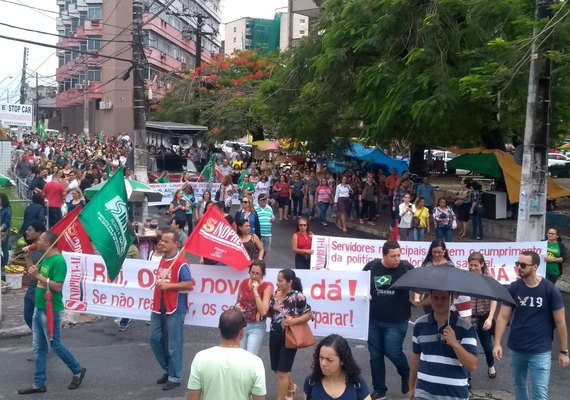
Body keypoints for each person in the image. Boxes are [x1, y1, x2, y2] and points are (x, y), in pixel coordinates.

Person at [493, 250, 569, 400]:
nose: (518, 267)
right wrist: (497, 343)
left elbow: (561, 322)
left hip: (540, 351)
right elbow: (502, 317)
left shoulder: (550, 290)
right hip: (516, 349)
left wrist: (564, 351)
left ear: (534, 267)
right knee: (519, 386)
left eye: (522, 265)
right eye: (517, 264)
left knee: (540, 393)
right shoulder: (514, 288)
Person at [18, 231, 87, 394]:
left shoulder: (58, 261)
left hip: (51, 310)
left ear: (47, 243)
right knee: (39, 347)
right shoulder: (46, 258)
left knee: (55, 344)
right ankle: (38, 383)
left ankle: (77, 369)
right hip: (39, 307)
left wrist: (38, 276)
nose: (37, 242)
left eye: (40, 240)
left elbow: (57, 287)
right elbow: (34, 276)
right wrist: (28, 257)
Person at [362, 241, 413, 400]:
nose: (397, 259)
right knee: (375, 355)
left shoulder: (406, 268)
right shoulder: (372, 267)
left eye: (399, 255)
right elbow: (360, 286)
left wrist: (418, 298)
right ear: (384, 255)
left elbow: (420, 286)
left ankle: (406, 373)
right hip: (374, 320)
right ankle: (380, 390)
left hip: (397, 321)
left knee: (393, 352)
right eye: (393, 256)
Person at [409, 290, 478, 400]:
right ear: (430, 298)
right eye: (436, 298)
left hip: (454, 395)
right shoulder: (419, 325)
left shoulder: (466, 328)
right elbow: (416, 358)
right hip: (424, 393)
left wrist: (455, 344)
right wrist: (412, 387)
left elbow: (472, 366)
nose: (439, 302)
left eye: (444, 298)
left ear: (451, 299)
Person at [186, 308, 267, 400]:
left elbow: (192, 397)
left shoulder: (200, 358)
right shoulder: (255, 363)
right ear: (241, 332)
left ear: (220, 328)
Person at [150, 229, 195, 390]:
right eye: (161, 240)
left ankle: (175, 377)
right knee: (154, 339)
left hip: (175, 308)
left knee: (173, 344)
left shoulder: (181, 263)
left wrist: (168, 286)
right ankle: (169, 370)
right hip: (158, 307)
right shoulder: (162, 259)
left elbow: (189, 284)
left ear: (175, 244)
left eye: (165, 241)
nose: (161, 243)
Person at [268, 268, 312, 400]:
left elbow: (309, 314)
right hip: (274, 335)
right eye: (277, 280)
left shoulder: (298, 296)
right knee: (277, 369)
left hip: (290, 337)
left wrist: (294, 321)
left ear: (290, 282)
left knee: (282, 372)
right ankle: (292, 387)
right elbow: (272, 312)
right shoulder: (275, 294)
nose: (277, 283)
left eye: (280, 281)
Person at [304, 334, 372, 400]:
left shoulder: (357, 382)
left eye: (330, 360)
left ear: (342, 360)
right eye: (321, 357)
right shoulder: (311, 381)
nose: (323, 363)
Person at [467, 252, 497, 380]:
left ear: (482, 265)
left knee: (487, 346)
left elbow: (494, 299)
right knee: (468, 347)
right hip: (468, 317)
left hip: (484, 316)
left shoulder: (488, 279)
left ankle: (491, 365)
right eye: (471, 265)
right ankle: (467, 378)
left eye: (476, 265)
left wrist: (490, 318)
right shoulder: (465, 278)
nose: (473, 268)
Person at [235, 260, 274, 355]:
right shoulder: (243, 283)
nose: (254, 276)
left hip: (257, 326)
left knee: (250, 356)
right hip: (242, 324)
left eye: (257, 274)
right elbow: (237, 303)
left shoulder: (267, 286)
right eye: (252, 272)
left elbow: (264, 311)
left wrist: (256, 291)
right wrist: (237, 307)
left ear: (262, 275)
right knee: (240, 355)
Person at [21, 221, 46, 330]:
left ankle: (43, 341)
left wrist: (27, 257)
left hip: (39, 289)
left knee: (39, 319)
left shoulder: (44, 252)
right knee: (28, 317)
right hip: (30, 289)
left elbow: (32, 275)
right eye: (27, 229)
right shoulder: (30, 249)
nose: (27, 232)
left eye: (30, 230)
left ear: (39, 232)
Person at [0, 193, 12, 273]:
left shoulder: (7, 210)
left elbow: (7, 223)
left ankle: (3, 266)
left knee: (4, 248)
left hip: (3, 232)